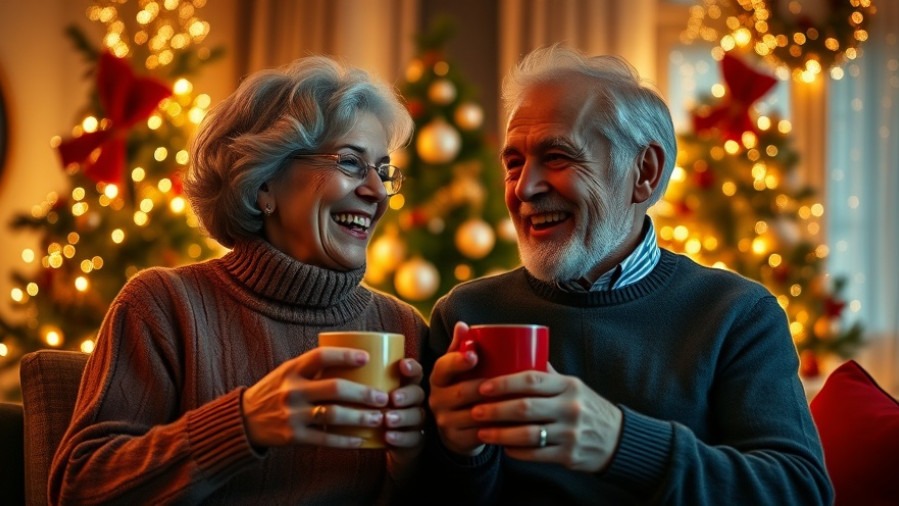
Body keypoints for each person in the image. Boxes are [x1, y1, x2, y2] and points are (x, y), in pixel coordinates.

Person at [422, 45, 832, 505]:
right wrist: (462, 453)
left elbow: (799, 491)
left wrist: (621, 442)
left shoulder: (736, 315)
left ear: (645, 172)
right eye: (513, 162)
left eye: (557, 156)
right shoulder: (467, 314)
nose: (524, 187)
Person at [49, 55, 427, 505]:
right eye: (349, 162)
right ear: (263, 183)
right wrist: (245, 422)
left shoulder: (402, 327)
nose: (377, 192)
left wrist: (412, 467)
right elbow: (80, 487)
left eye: (383, 170)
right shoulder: (165, 305)